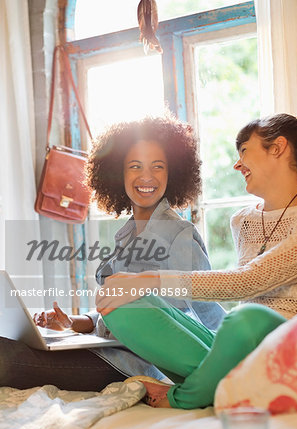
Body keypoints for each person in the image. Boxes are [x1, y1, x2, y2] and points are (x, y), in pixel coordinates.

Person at [95, 106, 297, 409]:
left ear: (277, 148)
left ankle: (187, 395)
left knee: (247, 318)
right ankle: (226, 381)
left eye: (244, 151)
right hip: (243, 352)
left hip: (290, 351)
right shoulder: (243, 220)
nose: (237, 165)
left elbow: (249, 281)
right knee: (120, 302)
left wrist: (146, 279)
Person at [0, 115, 225, 391]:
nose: (147, 176)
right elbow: (112, 314)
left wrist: (231, 368)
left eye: (158, 166)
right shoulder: (128, 234)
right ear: (119, 173)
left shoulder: (179, 235)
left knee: (6, 359)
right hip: (105, 353)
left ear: (172, 173)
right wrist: (73, 322)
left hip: (132, 366)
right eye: (135, 166)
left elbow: (209, 314)